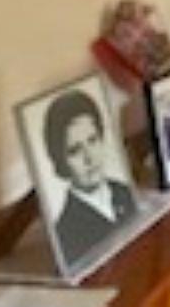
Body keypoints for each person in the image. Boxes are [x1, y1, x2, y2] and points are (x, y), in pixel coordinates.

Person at [42, 89, 137, 267]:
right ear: (61, 161)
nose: (89, 157)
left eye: (92, 140)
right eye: (75, 150)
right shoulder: (66, 231)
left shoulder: (125, 192)